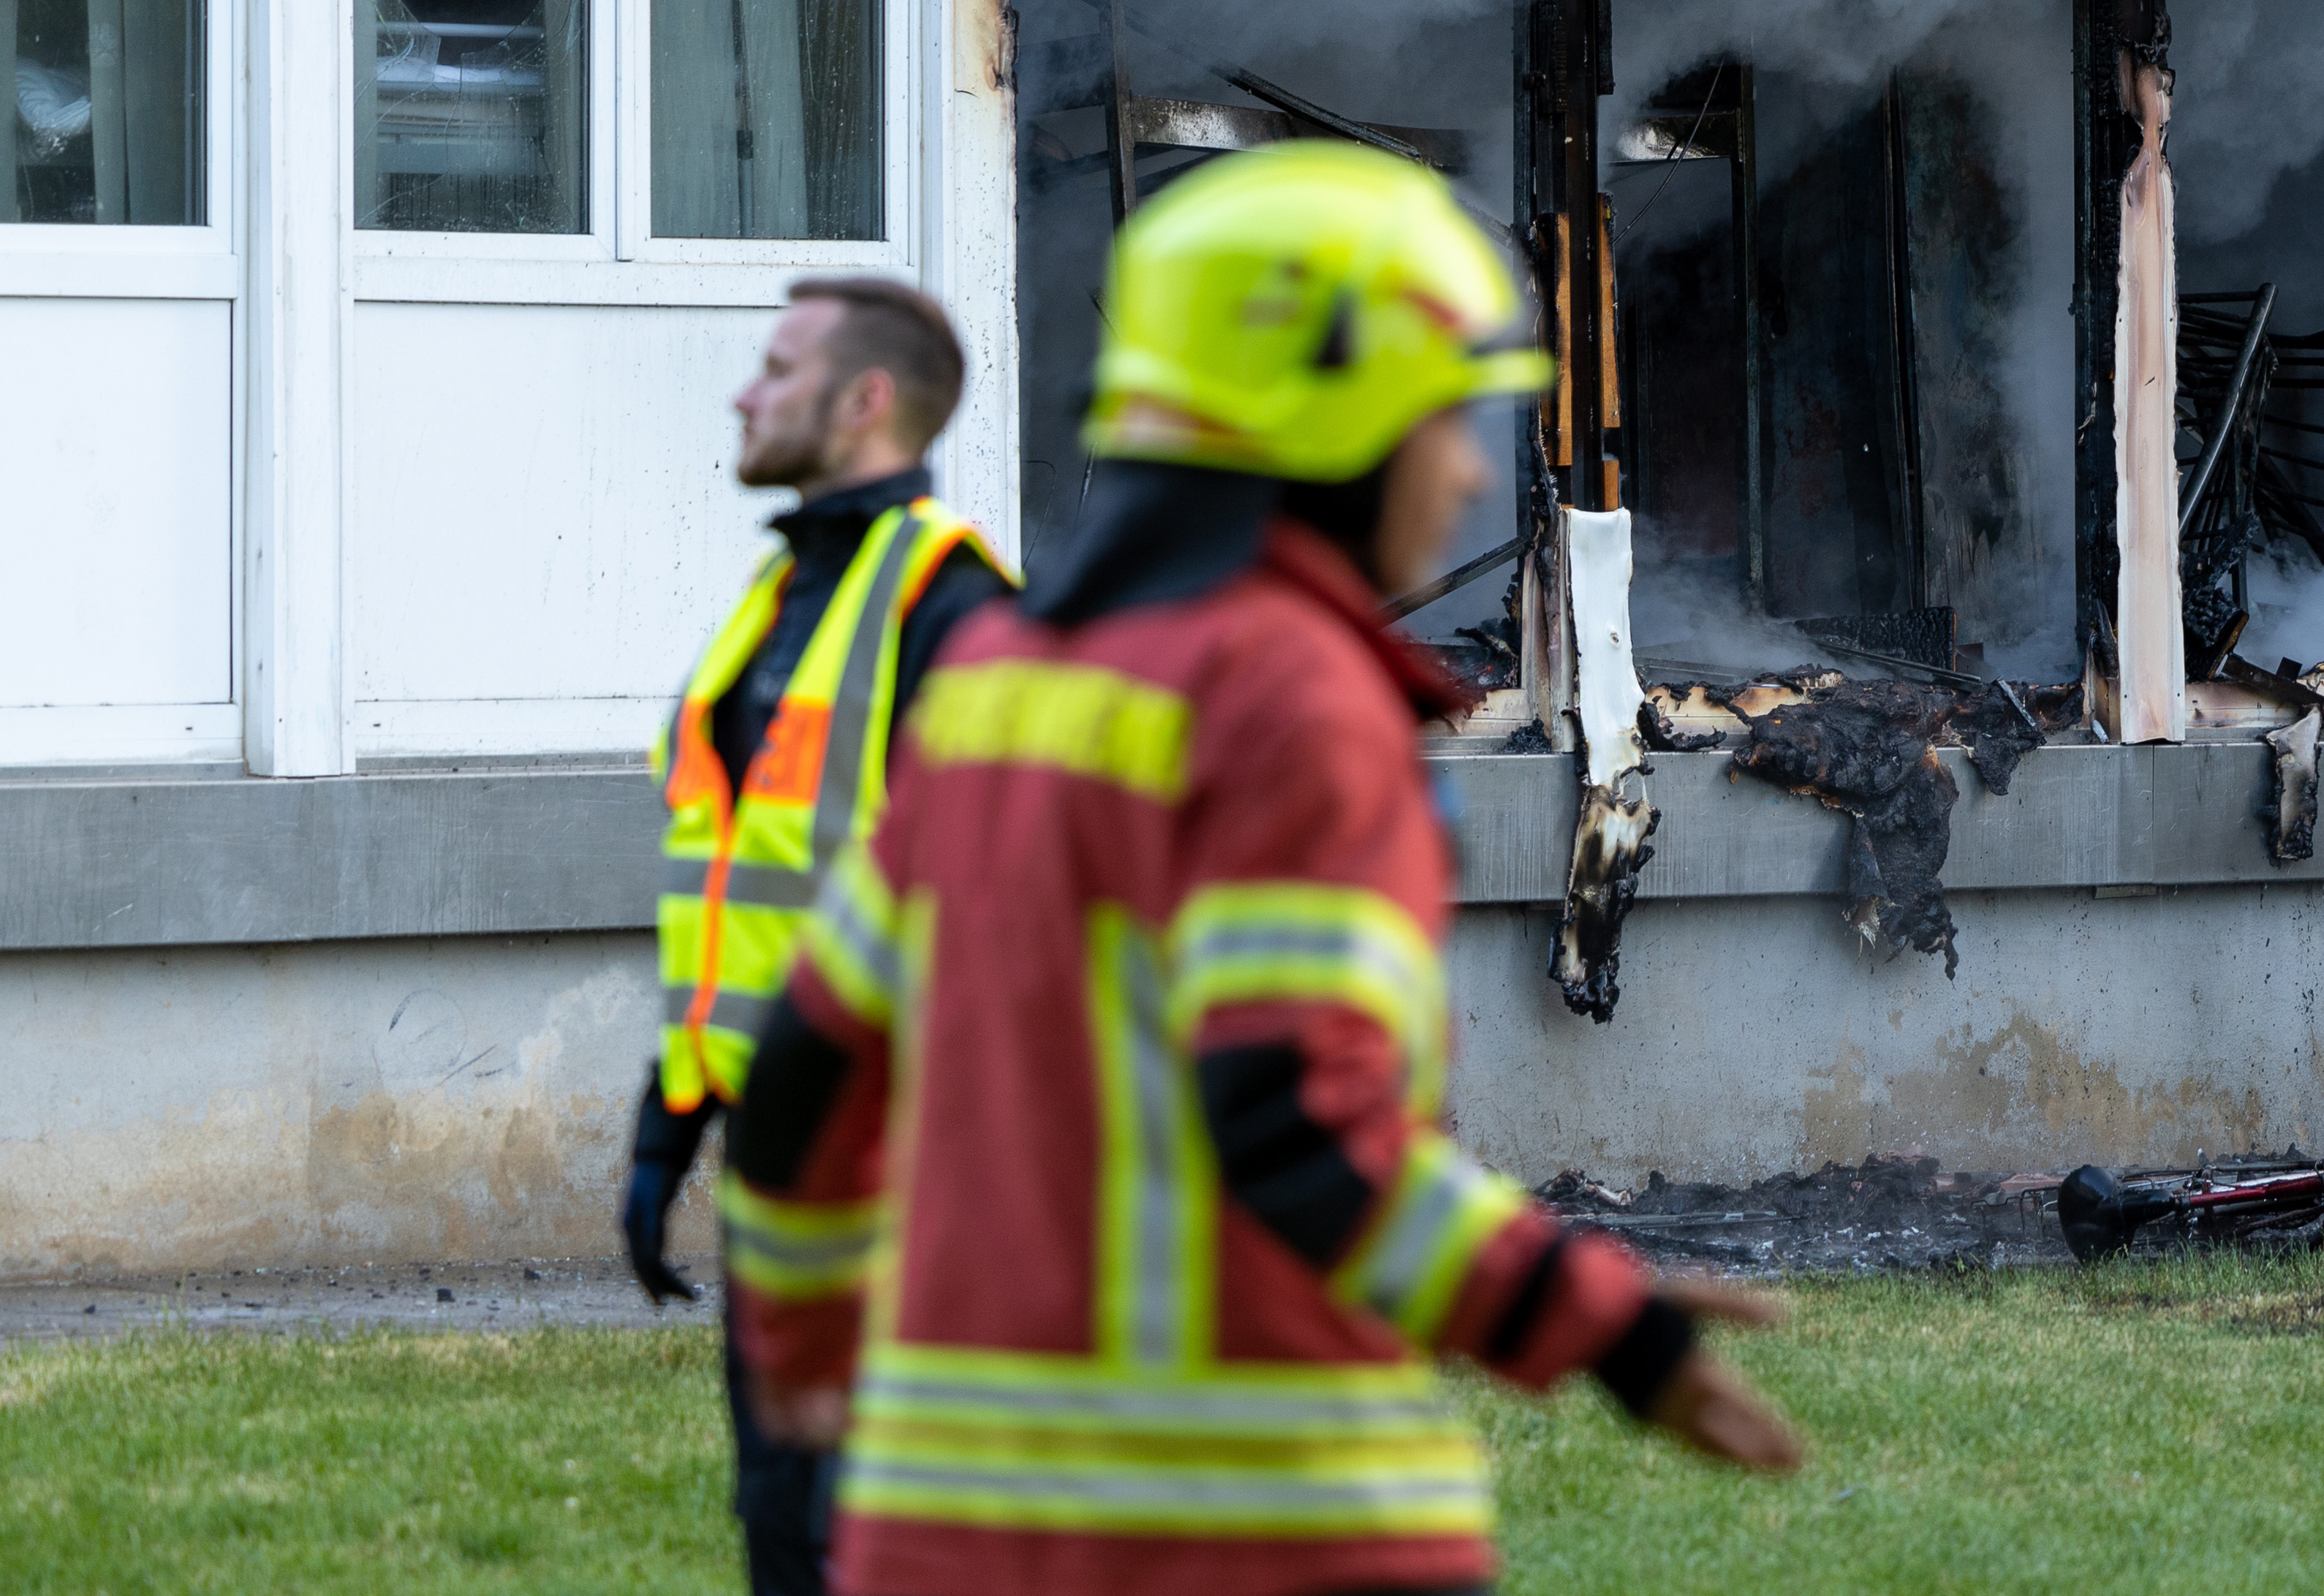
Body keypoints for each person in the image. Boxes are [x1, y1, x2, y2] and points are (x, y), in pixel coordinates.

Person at [721, 142, 1803, 1596]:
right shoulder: (1290, 695)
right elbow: (1292, 1116)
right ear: (1336, 407)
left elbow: (801, 1074)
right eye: (1450, 411)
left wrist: (798, 1344)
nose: (1474, 462)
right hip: (1261, 1536)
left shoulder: (994, 682)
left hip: (936, 1535)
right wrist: (1588, 1314)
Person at [624, 277, 1012, 1596]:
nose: (744, 393)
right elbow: (739, 898)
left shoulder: (958, 616)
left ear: (866, 401)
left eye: (776, 369)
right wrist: (665, 1130)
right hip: (780, 1162)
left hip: (908, 1174)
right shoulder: (779, 600)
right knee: (786, 1529)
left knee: (887, 1544)